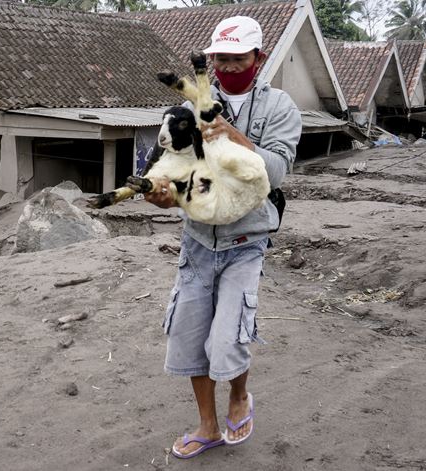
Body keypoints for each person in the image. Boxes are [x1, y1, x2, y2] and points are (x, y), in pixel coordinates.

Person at [145, 16, 302, 459]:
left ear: (259, 58)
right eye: (221, 60)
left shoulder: (280, 108)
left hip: (246, 241)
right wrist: (162, 194)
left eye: (238, 59)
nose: (230, 67)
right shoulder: (196, 102)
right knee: (191, 335)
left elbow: (277, 171)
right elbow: (173, 158)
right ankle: (208, 426)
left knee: (229, 336)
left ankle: (238, 396)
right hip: (196, 241)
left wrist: (234, 136)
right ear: (210, 60)